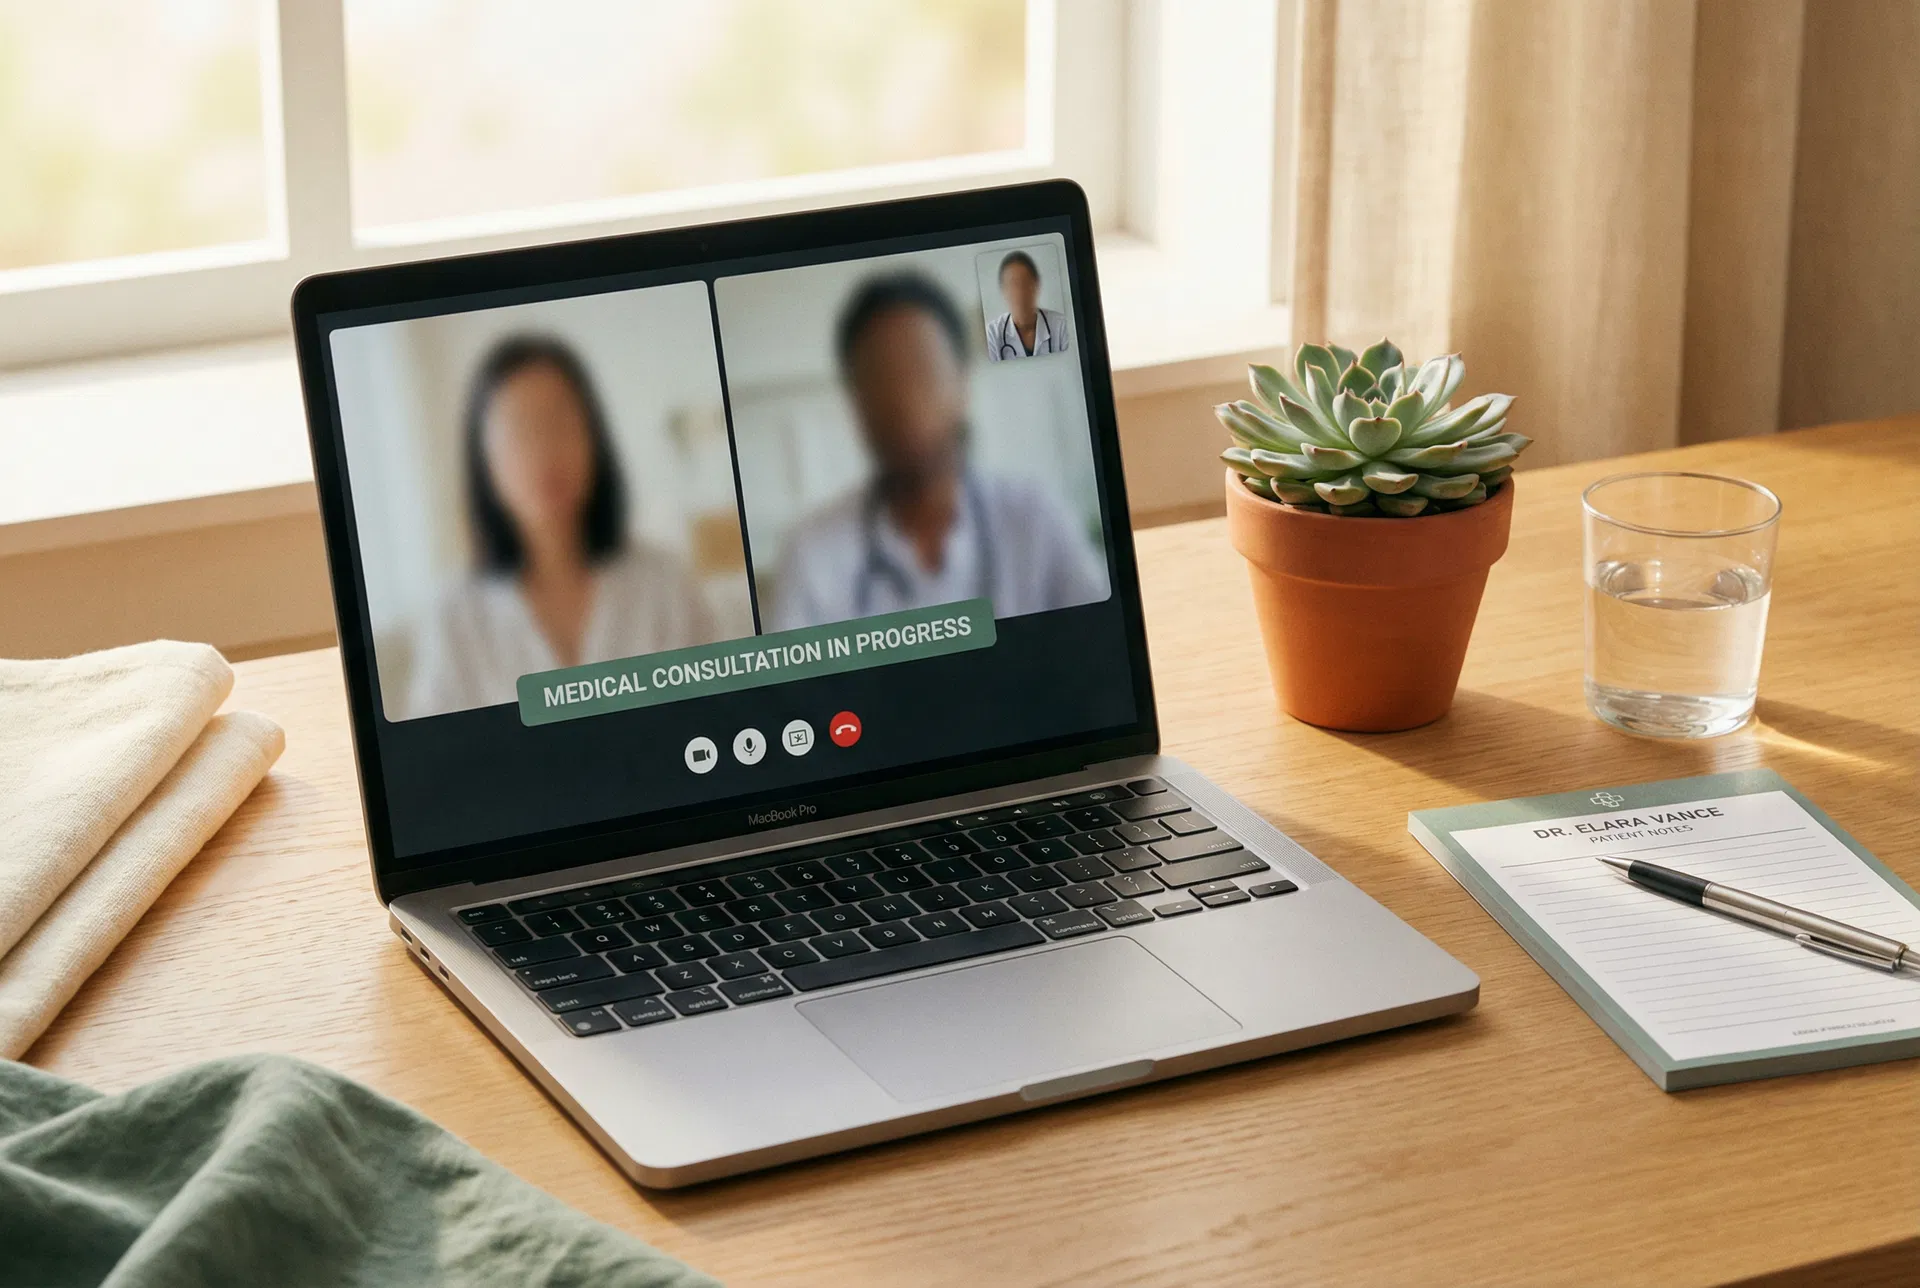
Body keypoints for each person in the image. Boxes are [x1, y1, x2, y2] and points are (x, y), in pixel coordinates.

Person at [768, 273, 1108, 632]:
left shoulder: (1034, 517)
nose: (901, 399)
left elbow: (1105, 646)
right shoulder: (813, 556)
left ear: (962, 385)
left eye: (920, 369)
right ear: (855, 406)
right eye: (878, 377)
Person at [404, 335, 715, 718]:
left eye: (558, 422)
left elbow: (716, 716)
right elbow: (438, 758)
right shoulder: (454, 615)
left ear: (593, 437)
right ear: (484, 459)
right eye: (519, 429)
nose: (543, 451)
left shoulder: (665, 582)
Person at [984, 249, 1070, 361]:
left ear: (1036, 285)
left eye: (1025, 283)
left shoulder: (1062, 326)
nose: (1020, 293)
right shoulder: (992, 335)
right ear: (1003, 291)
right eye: (1013, 285)